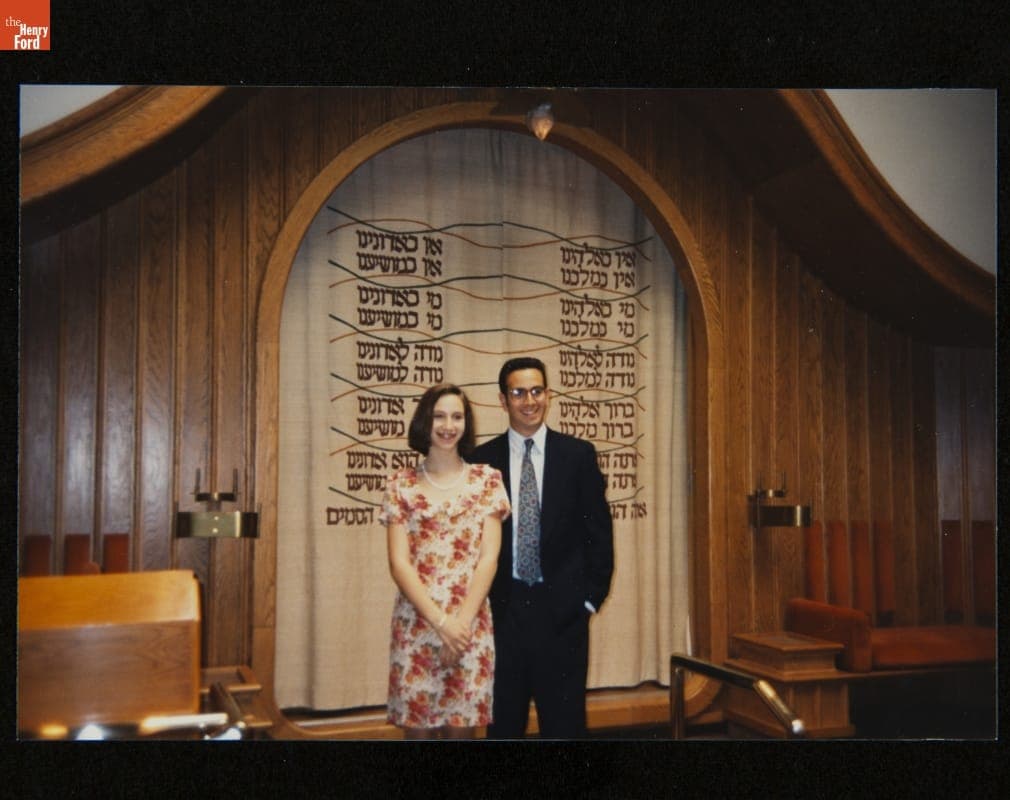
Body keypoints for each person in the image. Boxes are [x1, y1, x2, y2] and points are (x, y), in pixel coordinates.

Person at [468, 356, 614, 738]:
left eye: (536, 391)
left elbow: (599, 536)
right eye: (518, 392)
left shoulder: (578, 456)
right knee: (503, 729)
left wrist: (588, 602)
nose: (529, 401)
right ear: (503, 400)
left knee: (564, 730)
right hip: (503, 616)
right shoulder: (481, 462)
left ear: (548, 395)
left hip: (563, 618)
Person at [379, 383, 509, 739]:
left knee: (461, 737)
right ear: (425, 421)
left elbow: (489, 558)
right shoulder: (399, 485)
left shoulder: (487, 481)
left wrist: (459, 627)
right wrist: (440, 623)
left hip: (469, 627)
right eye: (439, 416)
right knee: (419, 738)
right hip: (418, 624)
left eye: (456, 416)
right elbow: (399, 564)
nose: (448, 425)